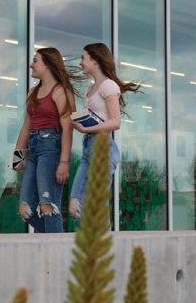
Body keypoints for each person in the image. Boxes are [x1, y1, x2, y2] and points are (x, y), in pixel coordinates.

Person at [68, 42, 139, 216]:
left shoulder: (108, 86)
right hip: (88, 148)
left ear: (95, 60)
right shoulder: (90, 89)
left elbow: (115, 122)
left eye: (83, 58)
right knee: (75, 205)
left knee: (92, 208)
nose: (80, 62)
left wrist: (86, 129)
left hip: (103, 149)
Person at [12, 47, 75, 233]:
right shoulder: (32, 92)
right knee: (25, 209)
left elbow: (67, 128)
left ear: (47, 64)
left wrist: (64, 162)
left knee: (48, 206)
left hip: (51, 148)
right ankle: (55, 238)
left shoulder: (60, 92)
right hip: (33, 148)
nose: (31, 65)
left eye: (35, 60)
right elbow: (26, 126)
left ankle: (56, 245)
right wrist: (18, 157)